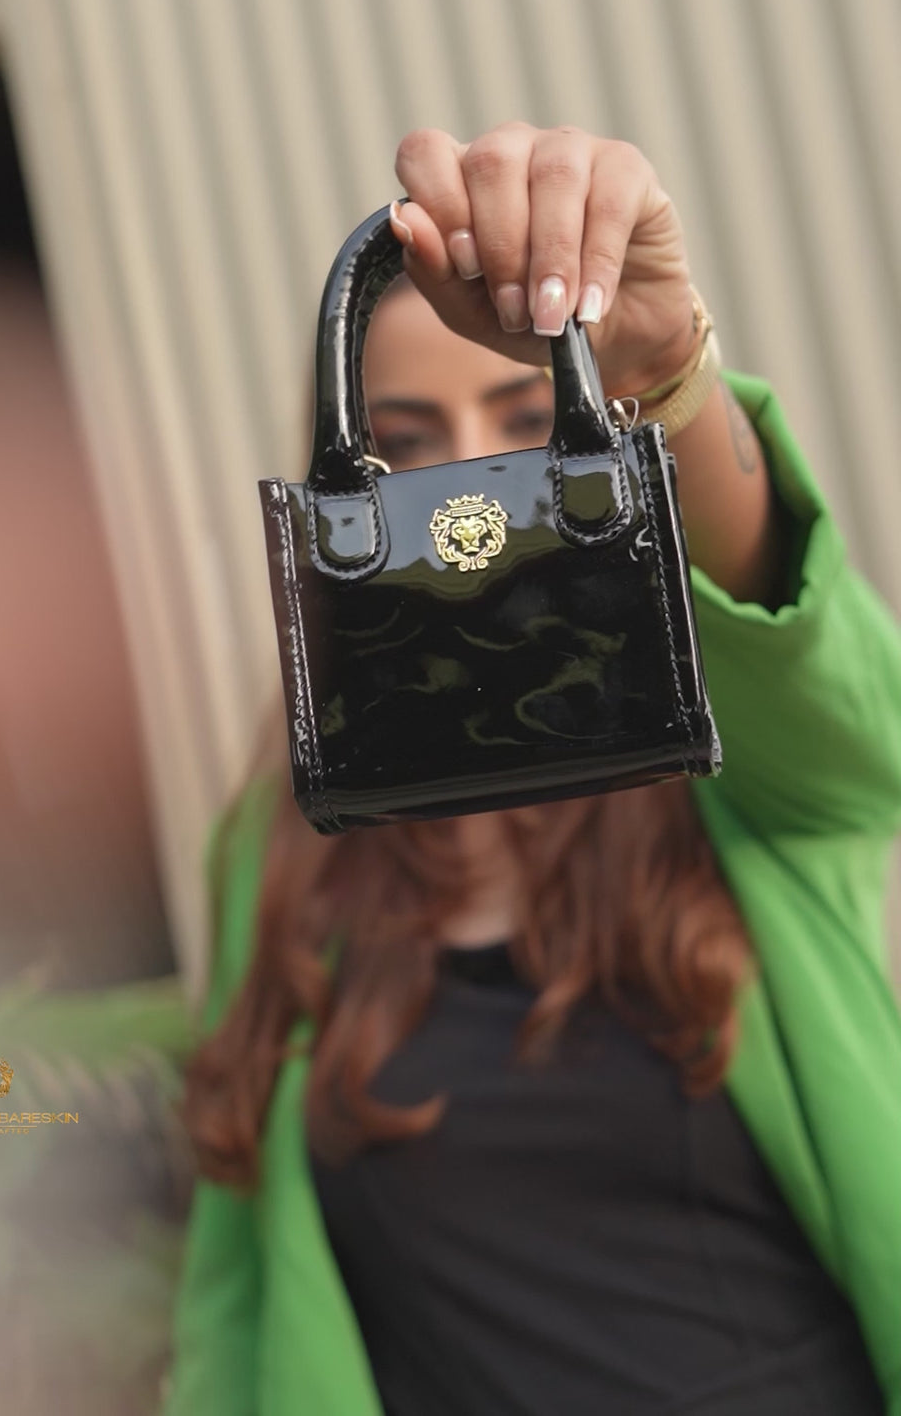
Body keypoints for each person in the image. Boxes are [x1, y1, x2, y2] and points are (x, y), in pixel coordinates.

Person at [162, 124, 901, 1416]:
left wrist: (662, 371)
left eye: (526, 424)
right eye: (406, 439)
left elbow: (841, 698)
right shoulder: (287, 843)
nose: (472, 479)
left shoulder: (720, 755)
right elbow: (235, 1294)